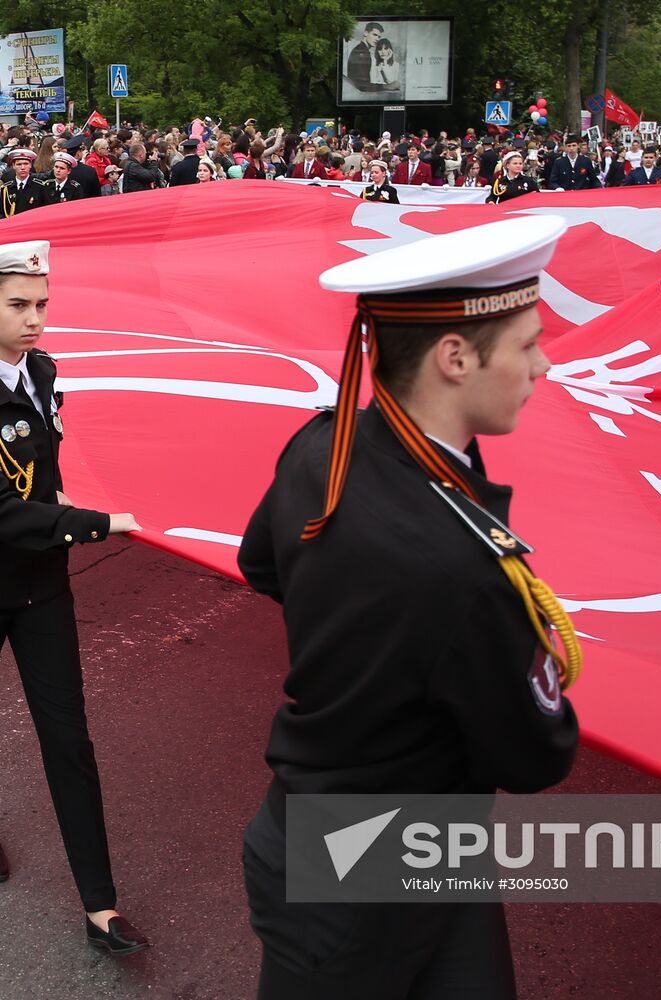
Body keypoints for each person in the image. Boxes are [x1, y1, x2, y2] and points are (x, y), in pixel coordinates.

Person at [237, 216, 581, 997]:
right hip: (354, 889)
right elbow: (535, 756)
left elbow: (259, 562)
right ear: (454, 358)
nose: (543, 365)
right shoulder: (462, 571)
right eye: (528, 345)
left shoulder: (320, 446)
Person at [0, 239, 150, 957]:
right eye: (19, 305)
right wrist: (93, 523)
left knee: (68, 737)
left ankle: (100, 905)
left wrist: (60, 499)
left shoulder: (43, 370)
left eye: (42, 305)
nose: (35, 319)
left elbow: (39, 470)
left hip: (39, 583)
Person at [0, 149, 47, 218]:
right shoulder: (6, 188)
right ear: (13, 166)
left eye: (26, 164)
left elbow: (45, 210)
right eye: (19, 164)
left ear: (30, 165)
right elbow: (2, 213)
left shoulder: (40, 186)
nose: (23, 167)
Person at [345, 22, 383, 91]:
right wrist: (387, 86)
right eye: (374, 35)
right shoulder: (361, 51)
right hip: (356, 94)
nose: (377, 39)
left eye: (379, 37)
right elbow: (362, 85)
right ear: (365, 33)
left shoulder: (362, 50)